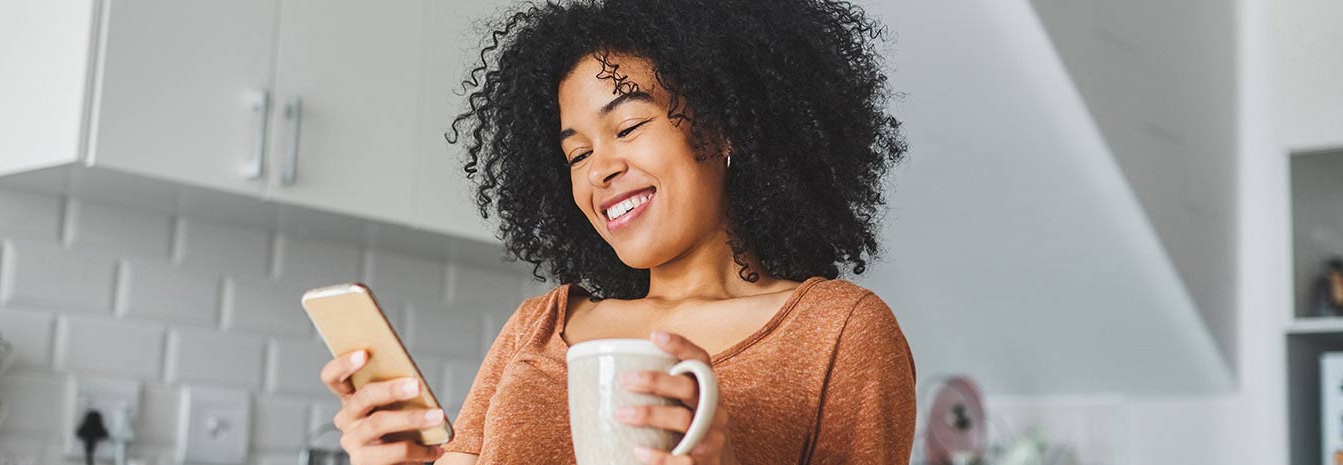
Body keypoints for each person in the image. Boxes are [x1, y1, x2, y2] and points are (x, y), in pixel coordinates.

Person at [319, 0, 914, 463]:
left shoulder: (841, 331)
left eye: (627, 127)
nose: (600, 170)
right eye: (576, 155)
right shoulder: (540, 325)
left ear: (727, 127)